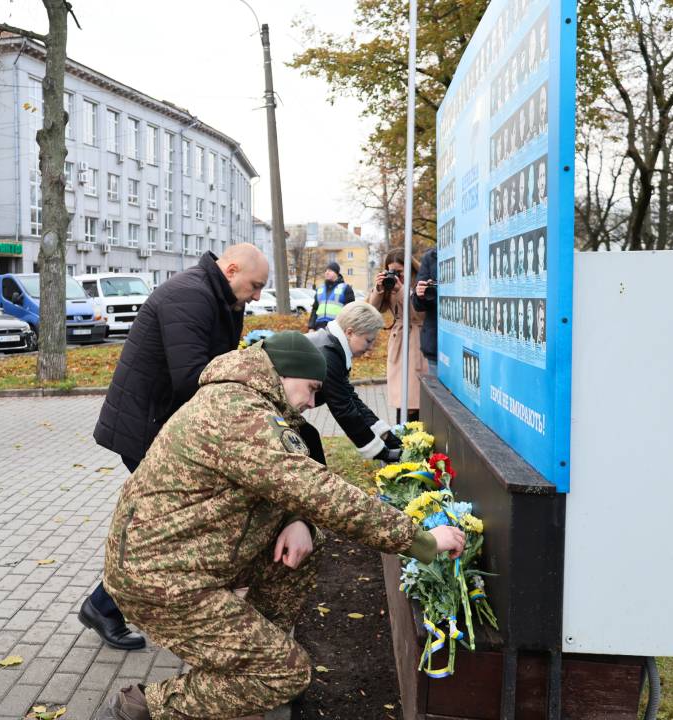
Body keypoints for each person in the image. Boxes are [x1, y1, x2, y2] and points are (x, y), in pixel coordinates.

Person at [95, 332, 465, 720]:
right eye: (310, 389)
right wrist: (421, 541)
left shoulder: (243, 399)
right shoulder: (240, 413)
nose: (310, 402)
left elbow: (281, 481)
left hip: (185, 560)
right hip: (160, 579)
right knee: (287, 674)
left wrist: (296, 519)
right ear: (284, 374)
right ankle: (138, 707)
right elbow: (322, 493)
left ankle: (246, 655)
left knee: (308, 543)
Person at [86, 244, 269, 650]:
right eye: (255, 286)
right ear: (232, 269)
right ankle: (108, 604)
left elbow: (216, 363)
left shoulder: (220, 298)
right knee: (172, 524)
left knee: (170, 524)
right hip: (144, 428)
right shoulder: (190, 295)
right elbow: (192, 376)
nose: (257, 296)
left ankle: (105, 604)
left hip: (163, 425)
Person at [308, 301, 403, 461]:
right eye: (368, 340)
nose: (371, 347)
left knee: (310, 439)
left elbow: (351, 398)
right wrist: (381, 452)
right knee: (309, 443)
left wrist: (385, 435)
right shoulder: (328, 356)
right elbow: (343, 410)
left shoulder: (332, 348)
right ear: (349, 332)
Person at [370, 250, 428, 424]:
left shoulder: (420, 283)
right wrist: (379, 289)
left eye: (399, 272)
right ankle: (402, 434)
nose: (396, 276)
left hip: (416, 341)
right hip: (399, 343)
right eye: (391, 271)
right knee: (401, 398)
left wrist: (402, 289)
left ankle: (412, 436)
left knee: (412, 398)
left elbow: (419, 315)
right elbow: (374, 310)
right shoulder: (390, 284)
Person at [412, 247, 439, 375]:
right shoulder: (431, 257)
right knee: (439, 392)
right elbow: (417, 304)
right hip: (436, 343)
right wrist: (421, 294)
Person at [307, 262, 355, 330]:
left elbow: (351, 311)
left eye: (330, 270)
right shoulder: (320, 289)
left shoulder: (346, 289)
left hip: (337, 328)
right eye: (326, 271)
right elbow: (315, 309)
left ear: (336, 273)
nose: (327, 272)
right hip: (319, 328)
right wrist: (311, 327)